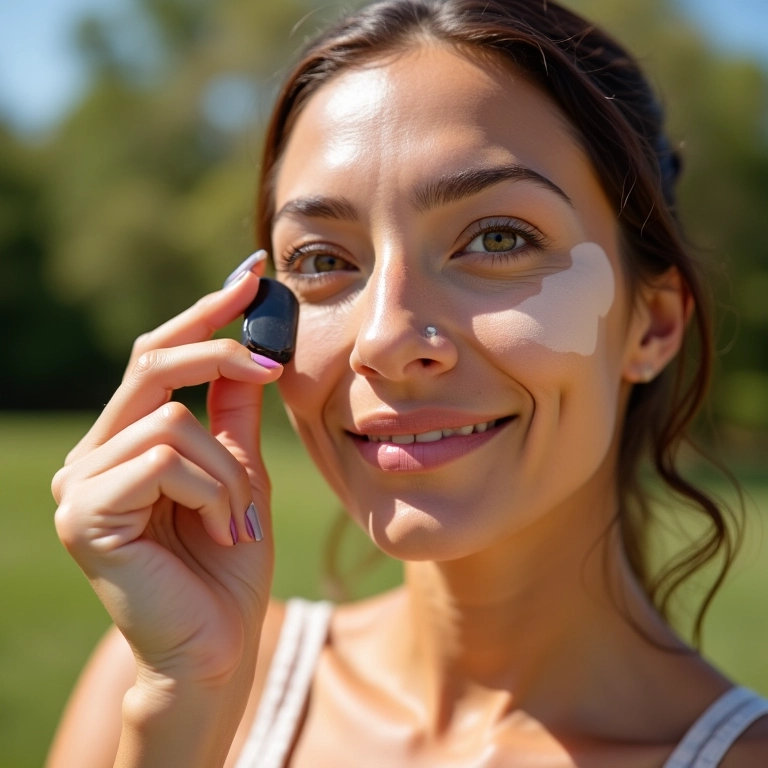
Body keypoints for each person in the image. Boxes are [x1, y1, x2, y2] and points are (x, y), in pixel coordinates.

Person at [46, 1, 768, 766]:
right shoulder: (163, 678)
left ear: (651, 325)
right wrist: (187, 703)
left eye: (497, 239)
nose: (385, 340)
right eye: (324, 259)